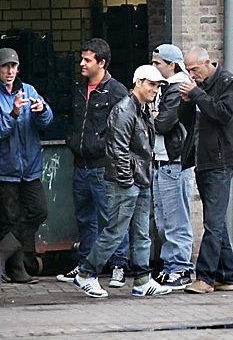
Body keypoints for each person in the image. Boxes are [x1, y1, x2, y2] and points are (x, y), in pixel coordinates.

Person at [73, 65, 171, 298]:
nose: (155, 90)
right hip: (127, 182)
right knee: (116, 231)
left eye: (157, 85)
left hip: (138, 180)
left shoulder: (139, 109)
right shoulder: (125, 110)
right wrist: (128, 182)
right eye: (151, 84)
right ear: (138, 82)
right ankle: (86, 274)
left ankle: (143, 280)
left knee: (140, 233)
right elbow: (117, 150)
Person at [57, 38, 131, 288]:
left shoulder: (117, 91)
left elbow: (124, 127)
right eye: (82, 58)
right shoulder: (79, 89)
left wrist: (102, 145)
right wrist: (71, 140)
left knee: (111, 218)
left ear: (102, 63)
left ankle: (119, 265)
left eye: (87, 60)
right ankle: (87, 267)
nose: (82, 64)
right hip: (81, 165)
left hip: (102, 167)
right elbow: (75, 122)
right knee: (85, 219)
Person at [178, 46, 233, 294]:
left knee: (213, 222)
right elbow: (188, 121)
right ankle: (226, 275)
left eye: (194, 69)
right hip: (203, 159)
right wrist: (187, 101)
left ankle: (205, 278)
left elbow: (223, 114)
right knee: (216, 221)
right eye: (188, 70)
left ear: (208, 63)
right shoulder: (201, 87)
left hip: (221, 160)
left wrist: (196, 94)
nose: (191, 74)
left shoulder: (227, 82)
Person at [0, 47, 54, 284]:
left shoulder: (29, 90)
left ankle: (1, 256)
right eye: (5, 66)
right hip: (4, 170)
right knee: (10, 221)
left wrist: (42, 110)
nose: (10, 71)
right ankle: (17, 270)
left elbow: (47, 120)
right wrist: (13, 114)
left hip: (30, 168)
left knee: (38, 211)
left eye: (13, 66)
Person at [149, 44, 195, 290]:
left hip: (174, 161)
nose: (154, 68)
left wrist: (154, 114)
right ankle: (170, 266)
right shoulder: (166, 88)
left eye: (158, 64)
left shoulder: (178, 88)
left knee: (176, 218)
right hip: (162, 159)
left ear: (172, 65)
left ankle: (180, 268)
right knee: (164, 219)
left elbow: (163, 124)